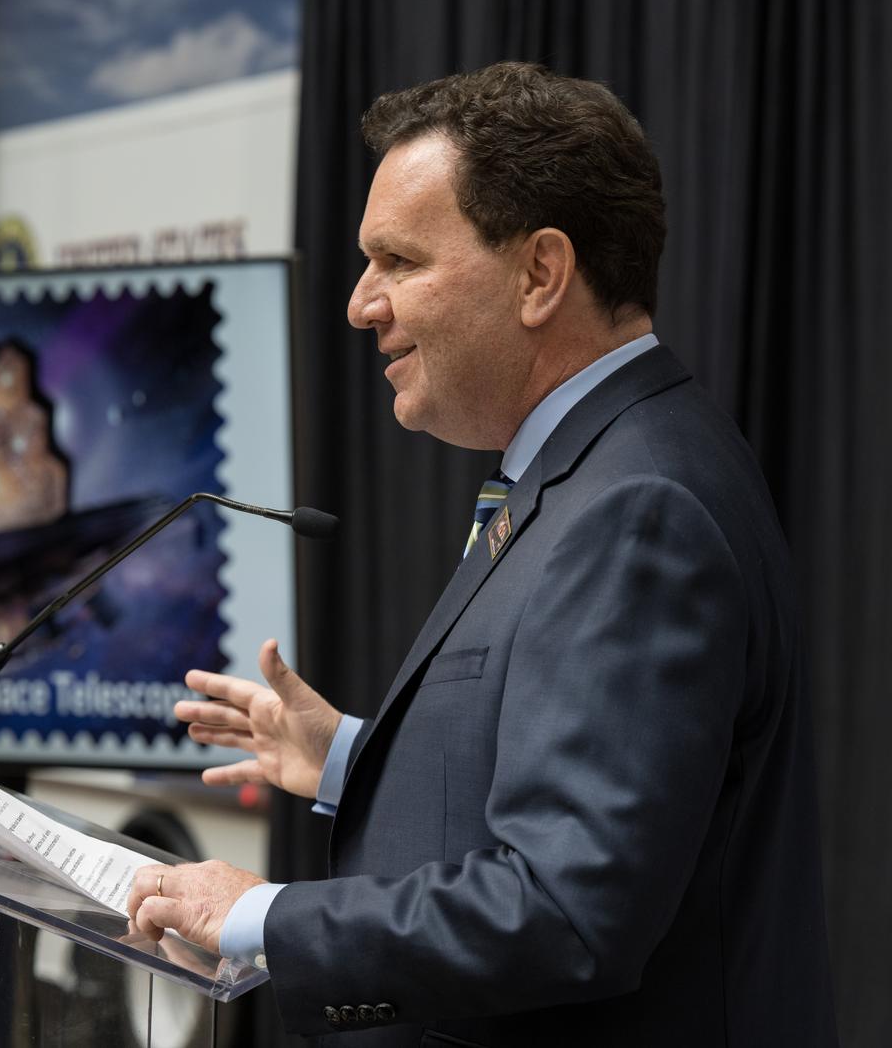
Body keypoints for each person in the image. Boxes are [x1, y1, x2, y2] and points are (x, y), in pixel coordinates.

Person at [125, 62, 838, 1046]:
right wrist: (348, 758)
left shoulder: (638, 507)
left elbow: (565, 908)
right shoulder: (596, 465)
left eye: (398, 261)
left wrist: (258, 916)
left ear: (539, 273)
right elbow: (554, 788)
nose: (359, 303)